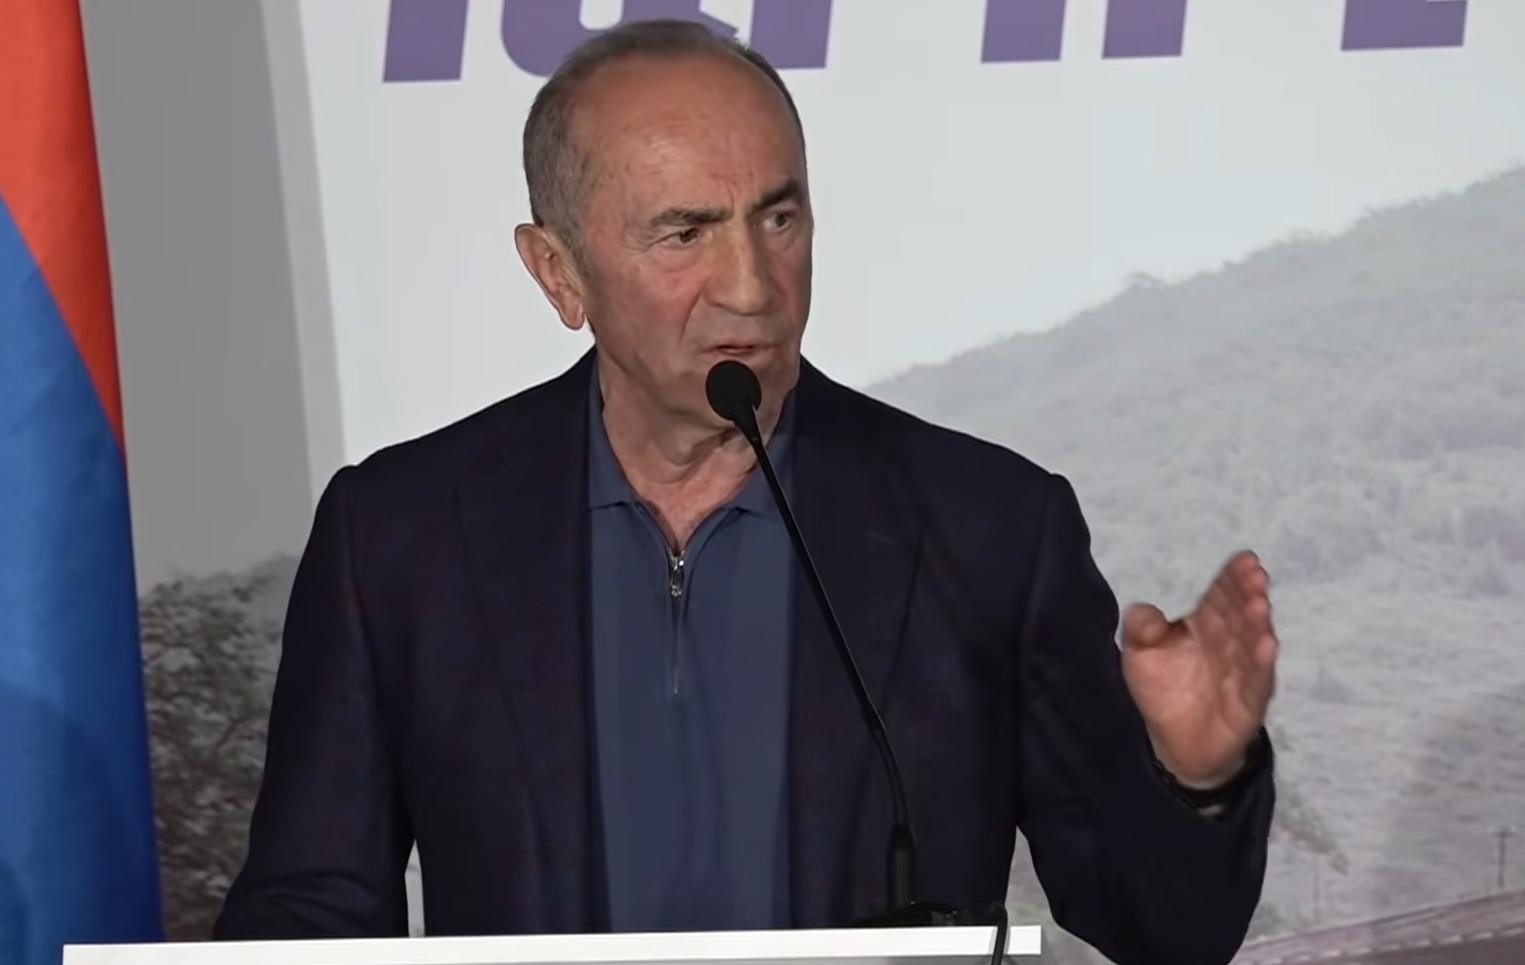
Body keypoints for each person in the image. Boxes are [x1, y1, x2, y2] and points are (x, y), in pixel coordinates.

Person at [215, 19, 1277, 964]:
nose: (751, 286)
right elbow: (308, 907)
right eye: (685, 233)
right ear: (558, 272)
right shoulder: (399, 534)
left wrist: (1195, 779)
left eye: (778, 219)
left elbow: (1163, 930)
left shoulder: (988, 524)